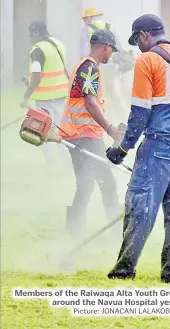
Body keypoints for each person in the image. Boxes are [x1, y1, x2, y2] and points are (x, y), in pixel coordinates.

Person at [106, 14, 170, 283]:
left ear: (145, 35)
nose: (137, 46)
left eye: (137, 41)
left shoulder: (146, 60)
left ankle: (125, 268)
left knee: (141, 204)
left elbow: (140, 113)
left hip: (161, 143)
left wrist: (122, 149)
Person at [58, 29, 125, 238]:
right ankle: (117, 235)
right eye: (111, 50)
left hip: (74, 134)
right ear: (105, 47)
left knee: (85, 185)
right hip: (85, 135)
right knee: (108, 184)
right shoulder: (90, 68)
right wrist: (110, 129)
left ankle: (73, 233)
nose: (111, 55)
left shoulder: (84, 65)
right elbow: (90, 102)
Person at [22, 21, 70, 166]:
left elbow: (37, 76)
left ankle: (51, 164)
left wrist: (25, 97)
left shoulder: (38, 50)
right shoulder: (58, 44)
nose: (30, 37)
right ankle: (69, 163)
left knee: (44, 131)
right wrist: (29, 81)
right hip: (61, 96)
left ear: (36, 32)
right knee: (61, 131)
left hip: (45, 100)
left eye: (31, 33)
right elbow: (53, 70)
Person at [79, 7, 129, 120]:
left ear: (89, 18)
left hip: (97, 68)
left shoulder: (86, 29)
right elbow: (119, 48)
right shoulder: (109, 26)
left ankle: (103, 123)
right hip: (112, 68)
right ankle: (126, 120)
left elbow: (83, 53)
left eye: (84, 19)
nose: (84, 21)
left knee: (99, 98)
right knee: (117, 96)